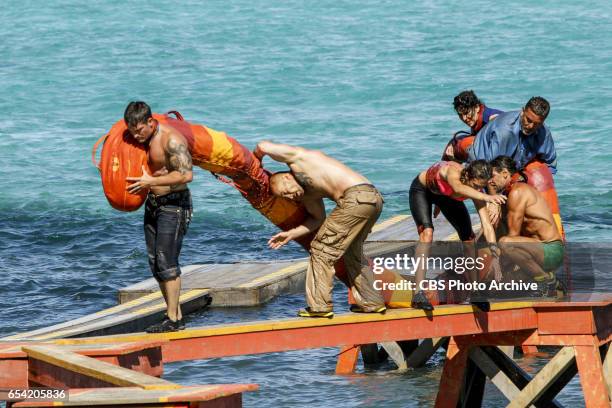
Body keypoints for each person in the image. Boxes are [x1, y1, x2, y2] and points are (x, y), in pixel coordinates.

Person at [253, 141, 386, 318]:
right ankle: (372, 303)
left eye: (286, 192)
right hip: (373, 200)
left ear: (286, 177)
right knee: (351, 251)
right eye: (286, 197)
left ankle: (319, 307)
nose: (291, 196)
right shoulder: (308, 194)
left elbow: (262, 146)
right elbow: (317, 219)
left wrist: (257, 164)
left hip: (356, 197)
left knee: (320, 249)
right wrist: (291, 234)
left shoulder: (299, 159)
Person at [124, 101, 194, 332]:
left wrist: (151, 182)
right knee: (155, 263)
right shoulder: (141, 140)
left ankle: (172, 319)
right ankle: (176, 315)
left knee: (167, 262)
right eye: (132, 131)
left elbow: (185, 175)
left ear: (151, 122)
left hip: (174, 205)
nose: (136, 135)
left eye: (139, 130)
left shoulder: (171, 140)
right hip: (153, 204)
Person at [409, 160, 506, 310]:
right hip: (423, 191)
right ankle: (418, 294)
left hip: (446, 197)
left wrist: (495, 255)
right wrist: (487, 198)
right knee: (427, 234)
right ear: (467, 175)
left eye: (482, 187)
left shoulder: (476, 190)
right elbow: (458, 187)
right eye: (476, 186)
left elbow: (487, 226)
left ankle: (475, 291)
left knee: (469, 238)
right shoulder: (453, 172)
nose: (479, 190)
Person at [489, 156, 564, 295]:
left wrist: (498, 267)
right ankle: (552, 281)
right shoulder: (512, 192)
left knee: (505, 243)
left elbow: (512, 238)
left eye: (492, 176)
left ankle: (545, 281)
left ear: (505, 173)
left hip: (551, 250)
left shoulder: (517, 192)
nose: (490, 181)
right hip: (538, 249)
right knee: (502, 283)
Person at [468, 96, 557, 173]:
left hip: (513, 168)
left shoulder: (543, 132)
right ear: (522, 111)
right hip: (482, 165)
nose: (531, 126)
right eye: (528, 120)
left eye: (537, 124)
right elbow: (492, 167)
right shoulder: (504, 132)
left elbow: (551, 163)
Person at [443, 91, 502, 162]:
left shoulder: (492, 119)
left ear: (477, 107)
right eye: (460, 115)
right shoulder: (476, 122)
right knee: (455, 141)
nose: (464, 118)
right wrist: (454, 160)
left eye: (466, 113)